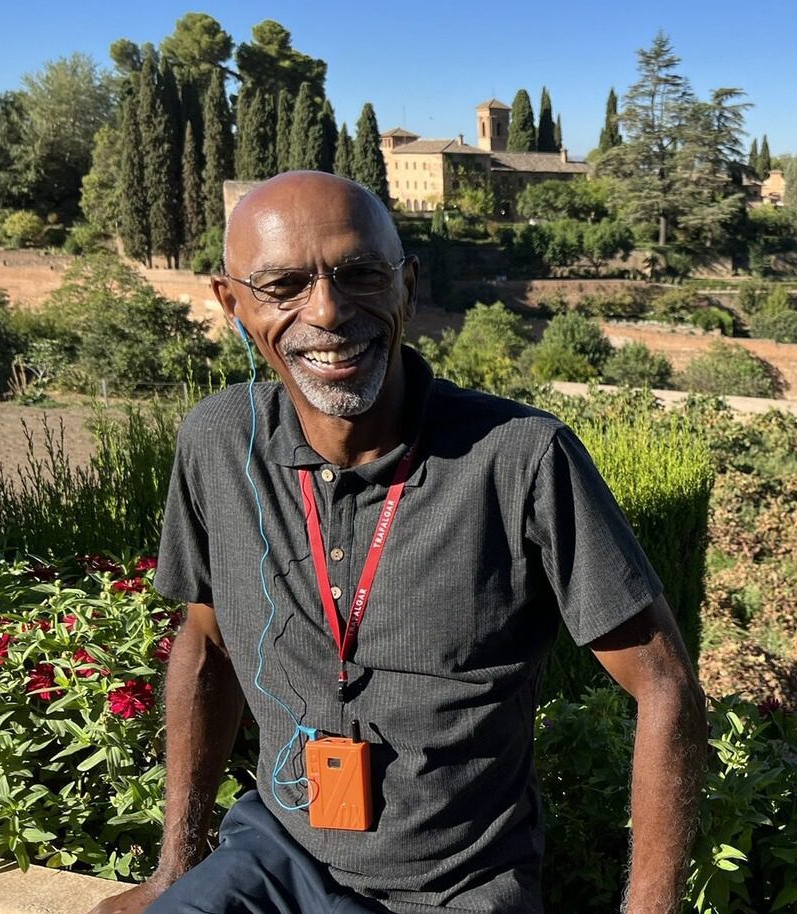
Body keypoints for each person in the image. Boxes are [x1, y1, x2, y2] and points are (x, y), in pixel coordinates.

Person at [88, 170, 705, 914]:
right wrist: (174, 869)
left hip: (456, 890)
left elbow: (662, 681)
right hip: (275, 855)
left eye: (358, 275)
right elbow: (205, 645)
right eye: (283, 284)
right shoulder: (218, 442)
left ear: (406, 285)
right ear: (231, 303)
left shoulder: (521, 458)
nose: (327, 310)